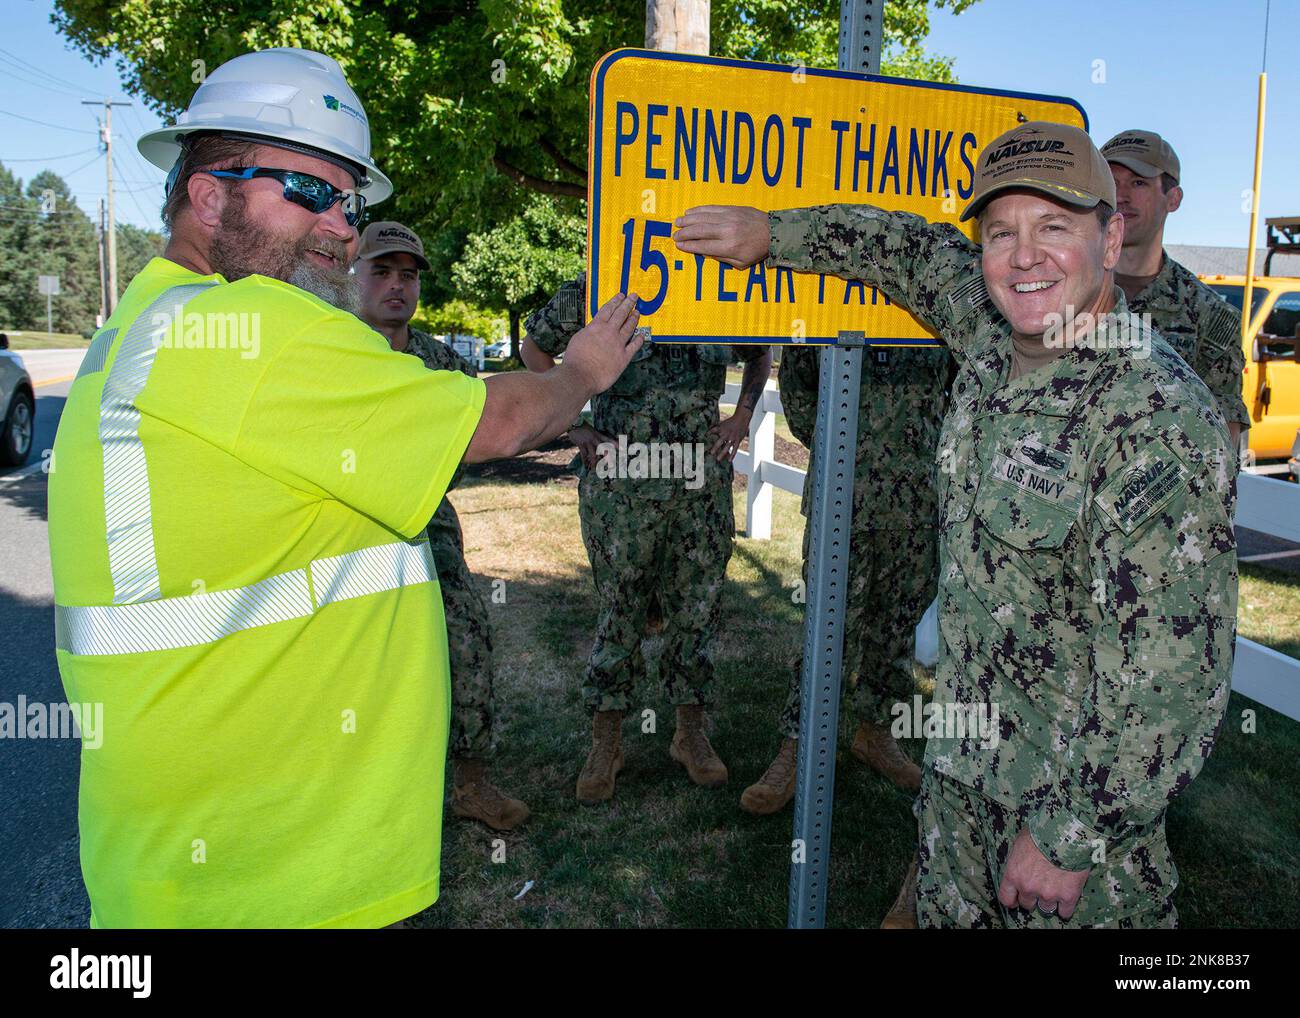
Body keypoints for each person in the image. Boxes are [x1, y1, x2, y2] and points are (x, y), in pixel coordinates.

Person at [49, 48, 641, 928]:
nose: (341, 226)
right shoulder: (245, 323)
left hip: (198, 860)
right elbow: (494, 423)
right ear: (210, 194)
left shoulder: (148, 323)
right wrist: (581, 373)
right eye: (310, 193)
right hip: (275, 875)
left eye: (349, 200)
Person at [673, 121, 1238, 928]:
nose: (1024, 255)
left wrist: (1069, 838)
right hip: (960, 799)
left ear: (1111, 238)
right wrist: (772, 233)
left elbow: (1174, 679)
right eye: (1001, 232)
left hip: (1071, 852)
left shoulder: (1156, 417)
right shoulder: (988, 332)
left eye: (1055, 228)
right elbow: (904, 246)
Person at [521, 274, 772, 803]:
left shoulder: (717, 289)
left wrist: (742, 417)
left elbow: (758, 351)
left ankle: (689, 734)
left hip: (698, 485)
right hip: (621, 487)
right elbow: (534, 350)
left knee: (697, 608)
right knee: (621, 610)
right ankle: (606, 742)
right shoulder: (593, 289)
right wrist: (574, 425)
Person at [353, 219, 528, 831]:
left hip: (427, 531)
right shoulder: (330, 352)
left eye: (407, 275)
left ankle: (470, 785)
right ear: (353, 273)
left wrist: (574, 423)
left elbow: (493, 411)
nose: (396, 286)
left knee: (465, 643)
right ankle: (374, 800)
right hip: (346, 537)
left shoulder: (437, 359)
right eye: (381, 271)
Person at [739, 334, 951, 816]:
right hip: (843, 498)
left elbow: (958, 393)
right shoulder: (833, 300)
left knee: (896, 630)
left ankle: (876, 733)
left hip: (917, 499)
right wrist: (843, 450)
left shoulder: (931, 308)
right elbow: (798, 392)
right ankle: (798, 749)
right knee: (828, 632)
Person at [1101, 129, 1249, 450]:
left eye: (1138, 183)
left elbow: (1223, 439)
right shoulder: (1056, 290)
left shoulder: (1209, 316)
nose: (1121, 195)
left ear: (1173, 198)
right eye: (1111, 182)